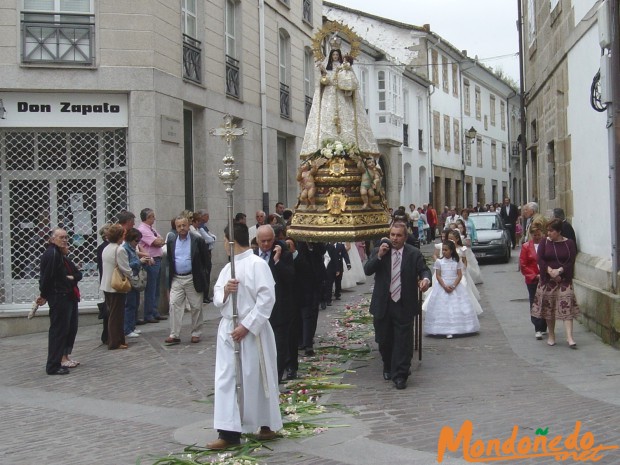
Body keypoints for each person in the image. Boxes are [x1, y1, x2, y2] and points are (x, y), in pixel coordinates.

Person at [207, 222, 282, 450]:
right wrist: (226, 292)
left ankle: (265, 424)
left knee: (258, 378)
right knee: (228, 379)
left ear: (230, 241)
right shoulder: (227, 269)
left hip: (252, 333)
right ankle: (228, 432)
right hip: (230, 330)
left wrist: (247, 325)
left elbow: (267, 299)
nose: (222, 244)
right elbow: (217, 297)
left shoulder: (258, 265)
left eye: (223, 240)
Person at [364, 222, 431, 390]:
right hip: (383, 303)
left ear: (405, 237)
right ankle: (388, 365)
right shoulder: (381, 250)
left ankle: (400, 374)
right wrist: (379, 255)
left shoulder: (413, 253)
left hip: (403, 303)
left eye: (398, 235)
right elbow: (367, 270)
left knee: (403, 341)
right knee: (384, 339)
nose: (395, 238)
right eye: (392, 234)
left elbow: (424, 269)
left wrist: (425, 280)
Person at [300, 41, 379, 160]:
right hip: (329, 97)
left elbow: (353, 83)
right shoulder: (327, 67)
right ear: (331, 56)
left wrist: (346, 73)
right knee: (328, 120)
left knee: (347, 120)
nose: (335, 57)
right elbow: (322, 82)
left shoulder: (344, 67)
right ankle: (326, 148)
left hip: (343, 97)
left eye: (337, 55)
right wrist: (323, 74)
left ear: (340, 56)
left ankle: (349, 148)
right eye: (334, 55)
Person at [531, 218, 580, 348]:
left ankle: (570, 337)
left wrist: (560, 271)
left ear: (558, 232)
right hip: (548, 280)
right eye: (547, 230)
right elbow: (540, 258)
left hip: (564, 280)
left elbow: (571, 259)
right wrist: (549, 271)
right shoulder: (544, 242)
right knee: (549, 308)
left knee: (566, 306)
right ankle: (551, 335)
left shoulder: (569, 243)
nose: (548, 233)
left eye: (551, 231)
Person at [255, 225, 295, 382]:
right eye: (262, 241)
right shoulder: (252, 255)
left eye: (269, 240)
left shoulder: (283, 254)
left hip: (279, 308)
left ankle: (276, 377)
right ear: (257, 240)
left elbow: (290, 277)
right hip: (258, 309)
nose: (266, 244)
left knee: (279, 345)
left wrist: (277, 261)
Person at [37, 229, 78, 375]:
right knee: (58, 331)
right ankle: (53, 366)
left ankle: (56, 362)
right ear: (52, 239)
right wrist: (44, 294)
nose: (65, 240)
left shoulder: (57, 254)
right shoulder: (53, 254)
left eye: (66, 237)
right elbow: (47, 277)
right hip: (58, 296)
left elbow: (73, 274)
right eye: (61, 237)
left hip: (62, 295)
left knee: (62, 331)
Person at [165, 215, 209, 345]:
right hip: (177, 278)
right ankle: (174, 334)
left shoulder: (197, 240)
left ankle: (196, 332)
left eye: (184, 225)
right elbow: (170, 259)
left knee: (196, 306)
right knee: (174, 304)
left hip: (192, 277)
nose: (182, 228)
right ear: (176, 227)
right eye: (179, 226)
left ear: (188, 225)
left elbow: (206, 260)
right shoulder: (172, 241)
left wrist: (203, 275)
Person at [423, 240, 481, 339]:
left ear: (451, 251)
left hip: (455, 286)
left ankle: (459, 328)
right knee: (443, 307)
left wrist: (454, 285)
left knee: (457, 306)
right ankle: (444, 329)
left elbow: (459, 275)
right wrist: (444, 286)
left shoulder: (456, 261)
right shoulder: (439, 262)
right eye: (443, 250)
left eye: (446, 250)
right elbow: (438, 276)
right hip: (442, 286)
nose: (444, 252)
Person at [100, 224, 132, 350]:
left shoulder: (106, 248)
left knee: (113, 313)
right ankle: (115, 341)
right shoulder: (119, 249)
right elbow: (125, 268)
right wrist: (132, 275)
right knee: (116, 315)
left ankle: (114, 339)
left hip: (106, 284)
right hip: (116, 285)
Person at [519, 221, 548, 340]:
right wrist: (534, 275)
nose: (537, 237)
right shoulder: (526, 246)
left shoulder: (546, 244)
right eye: (534, 235)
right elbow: (523, 264)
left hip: (545, 278)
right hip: (533, 279)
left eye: (538, 234)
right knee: (535, 301)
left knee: (545, 301)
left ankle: (544, 325)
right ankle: (537, 326)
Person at [137, 208, 167, 324]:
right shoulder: (143, 230)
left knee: (156, 288)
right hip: (151, 261)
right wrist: (159, 241)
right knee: (151, 288)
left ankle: (155, 311)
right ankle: (148, 313)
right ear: (148, 217)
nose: (154, 219)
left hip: (157, 259)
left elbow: (161, 239)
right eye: (153, 217)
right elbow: (156, 242)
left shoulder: (151, 229)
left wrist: (160, 241)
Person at [123, 228, 150, 339]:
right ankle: (127, 329)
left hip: (135, 279)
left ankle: (132, 326)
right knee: (130, 305)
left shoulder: (133, 249)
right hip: (130, 279)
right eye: (136, 241)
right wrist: (140, 261)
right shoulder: (125, 249)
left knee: (135, 304)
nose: (137, 243)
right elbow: (127, 265)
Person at [96, 224, 111, 344]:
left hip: (106, 280)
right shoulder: (104, 248)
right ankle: (107, 334)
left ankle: (107, 334)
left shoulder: (104, 247)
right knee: (110, 308)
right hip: (109, 281)